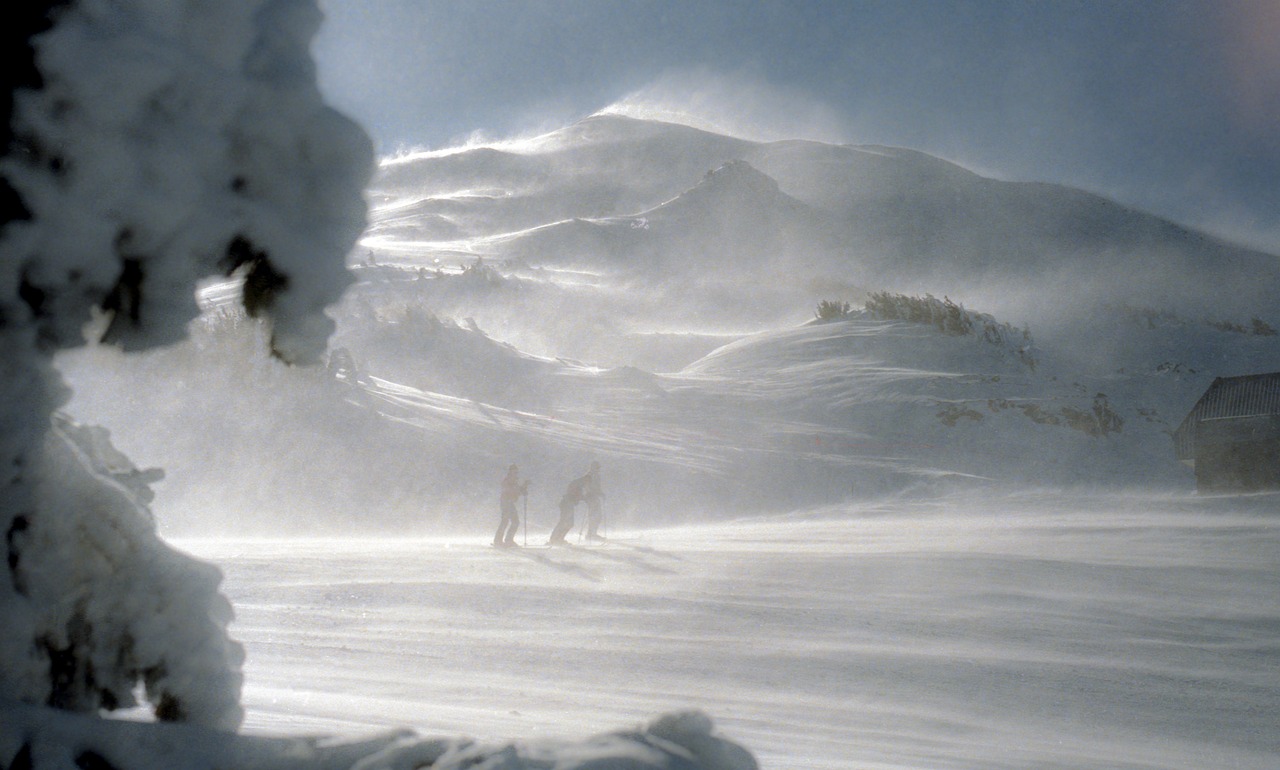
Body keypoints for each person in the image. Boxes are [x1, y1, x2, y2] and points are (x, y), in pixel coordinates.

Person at [548, 461, 604, 544]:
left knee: (569, 523)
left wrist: (584, 498)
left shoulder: (579, 484)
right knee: (565, 521)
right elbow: (576, 494)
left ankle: (559, 539)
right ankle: (555, 539)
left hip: (568, 503)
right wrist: (586, 498)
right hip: (567, 503)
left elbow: (579, 495)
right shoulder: (577, 484)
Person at [493, 464, 528, 547]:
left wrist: (523, 488)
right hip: (506, 502)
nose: (515, 473)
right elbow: (512, 491)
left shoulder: (513, 480)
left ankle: (506, 540)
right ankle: (501, 540)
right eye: (514, 471)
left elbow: (516, 490)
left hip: (509, 502)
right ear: (510, 471)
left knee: (513, 521)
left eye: (516, 471)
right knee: (508, 521)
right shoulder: (508, 480)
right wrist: (522, 489)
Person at [582, 461, 606, 541]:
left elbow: (597, 487)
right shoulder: (589, 476)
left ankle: (592, 534)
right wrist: (597, 493)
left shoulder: (595, 475)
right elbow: (588, 487)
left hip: (594, 497)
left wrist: (601, 493)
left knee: (596, 516)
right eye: (597, 467)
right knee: (595, 516)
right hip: (591, 497)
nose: (599, 469)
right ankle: (591, 534)